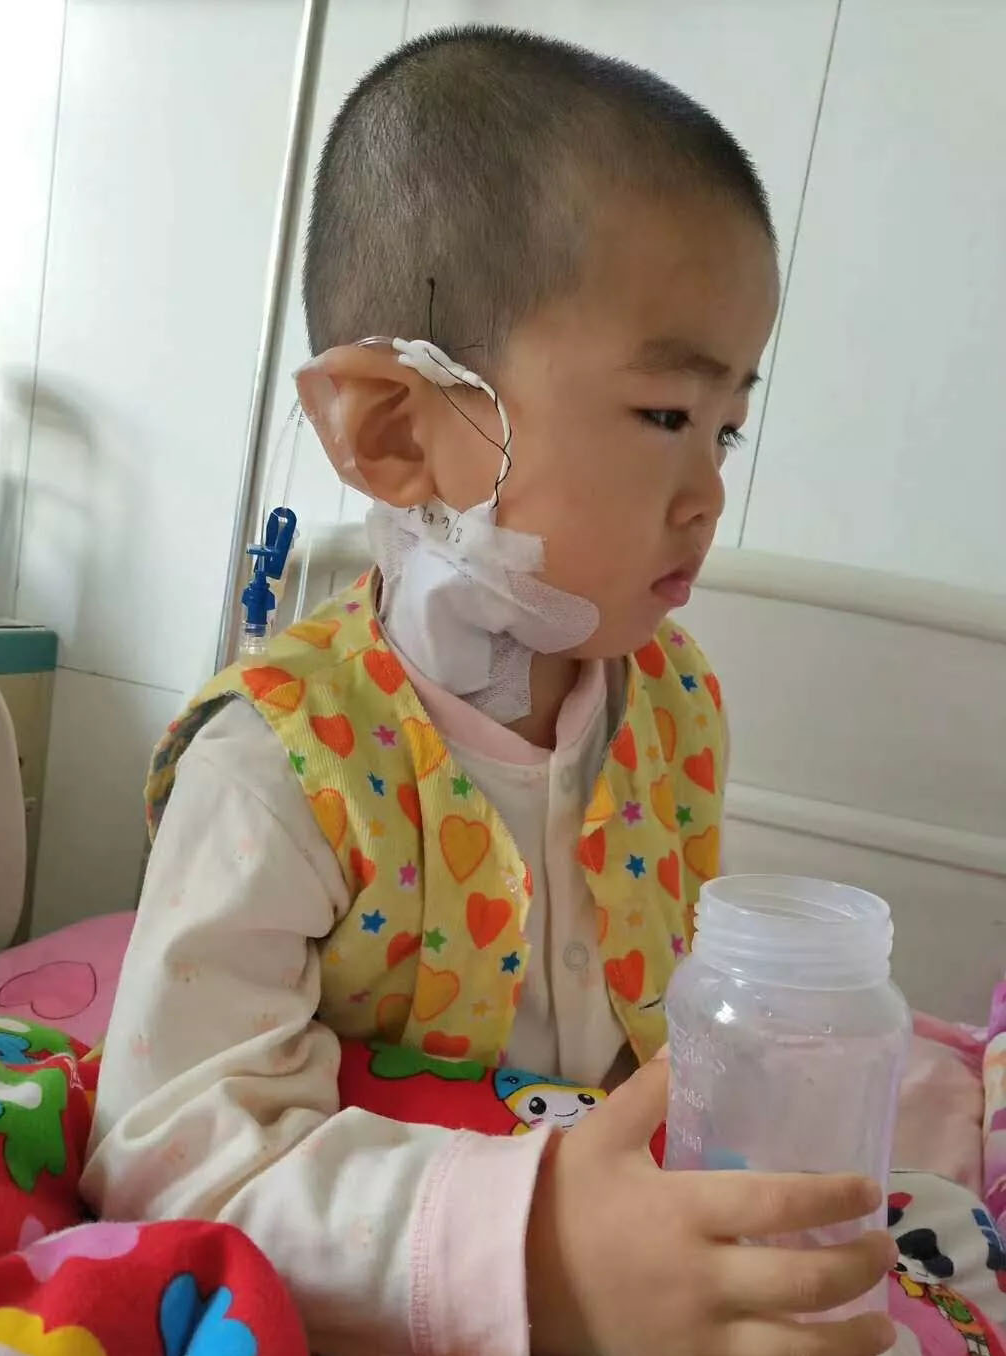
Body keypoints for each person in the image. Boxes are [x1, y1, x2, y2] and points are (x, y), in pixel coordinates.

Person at [82, 26, 898, 1356]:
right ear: (398, 432)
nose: (709, 493)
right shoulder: (281, 763)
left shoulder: (674, 708)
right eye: (665, 416)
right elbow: (175, 1158)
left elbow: (664, 1045)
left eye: (729, 427)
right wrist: (538, 1254)